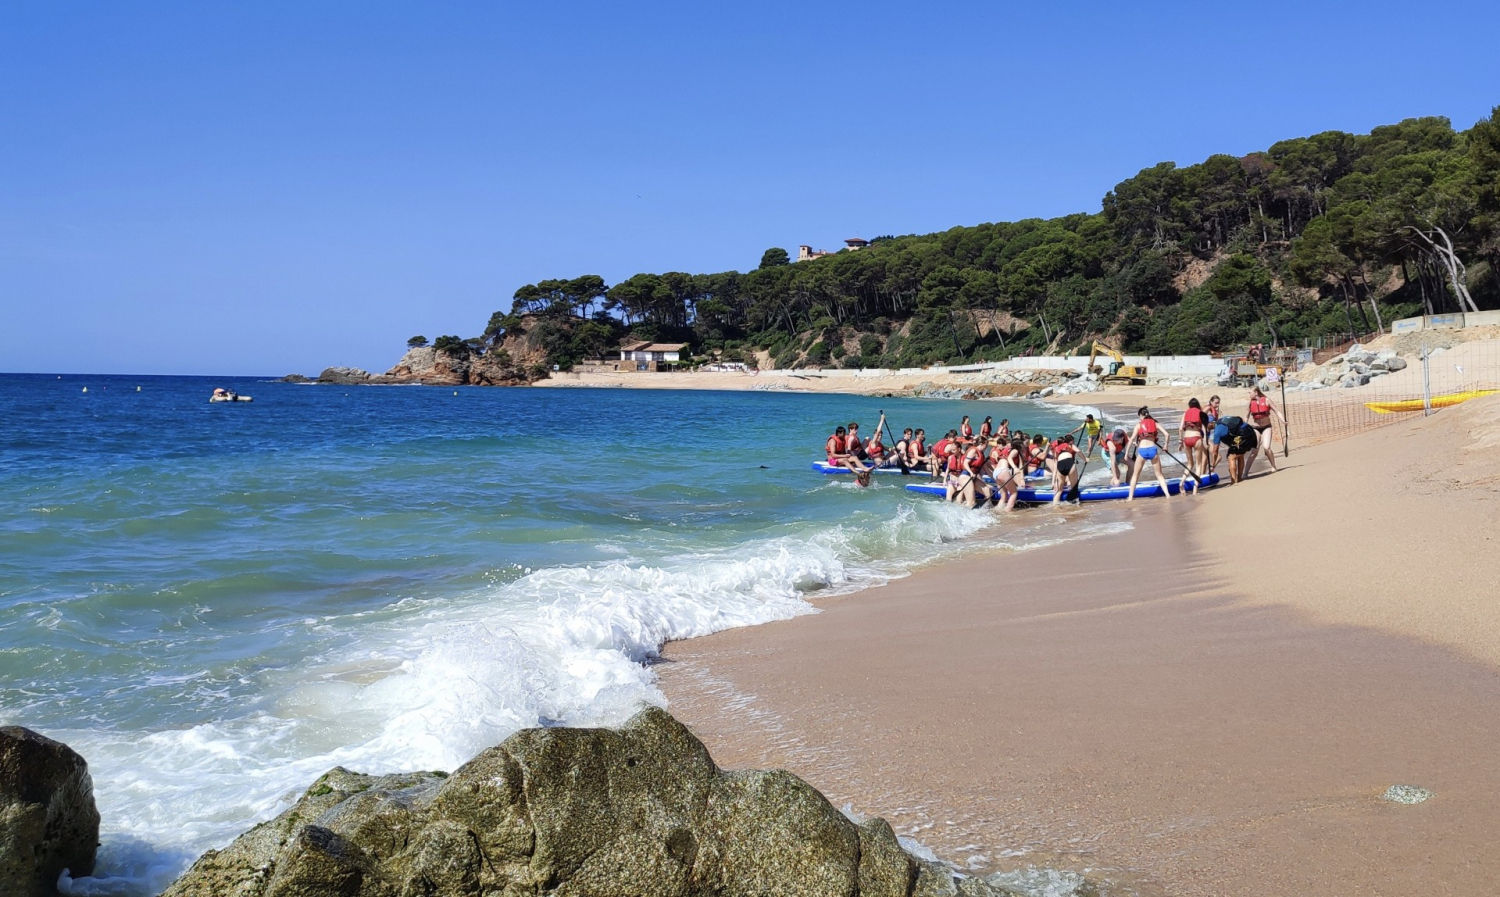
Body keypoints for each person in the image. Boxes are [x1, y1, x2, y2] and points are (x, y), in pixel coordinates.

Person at [1126, 407, 1171, 501]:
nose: (1139, 419)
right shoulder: (1155, 423)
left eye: (1139, 417)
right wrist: (1165, 445)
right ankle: (1167, 495)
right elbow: (1167, 434)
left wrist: (1126, 453)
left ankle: (1130, 497)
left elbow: (1131, 440)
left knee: (1135, 475)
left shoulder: (1138, 425)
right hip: (1152, 450)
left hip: (1142, 451)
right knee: (1159, 475)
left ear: (1141, 416)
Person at [1247, 387, 1285, 473]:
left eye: (1250, 392)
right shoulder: (1250, 403)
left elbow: (1277, 411)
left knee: (1266, 447)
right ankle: (1245, 473)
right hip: (1256, 428)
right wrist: (1243, 426)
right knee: (1254, 451)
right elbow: (1246, 416)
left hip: (1266, 427)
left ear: (1256, 392)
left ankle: (1273, 466)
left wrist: (1283, 421)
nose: (1249, 394)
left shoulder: (1267, 400)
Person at [1214, 415, 1259, 483]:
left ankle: (1234, 481)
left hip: (1243, 435)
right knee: (1239, 454)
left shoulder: (1217, 431)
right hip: (1250, 431)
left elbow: (1215, 451)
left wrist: (1213, 463)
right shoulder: (1224, 419)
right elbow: (1239, 418)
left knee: (1231, 457)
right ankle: (1239, 478)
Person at [1179, 398, 1209, 488]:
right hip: (1196, 438)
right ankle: (1195, 488)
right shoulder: (1200, 413)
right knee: (1198, 464)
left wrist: (1180, 442)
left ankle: (1181, 482)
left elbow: (1180, 428)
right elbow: (1204, 428)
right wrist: (1205, 442)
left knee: (1189, 464)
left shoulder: (1185, 413)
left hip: (1186, 438)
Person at [1050, 434, 1081, 504]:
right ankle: (1074, 504)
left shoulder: (1057, 450)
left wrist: (1053, 482)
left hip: (1060, 466)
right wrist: (1085, 459)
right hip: (1069, 464)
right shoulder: (1070, 446)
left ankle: (1055, 506)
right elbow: (1078, 451)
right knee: (1074, 487)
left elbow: (1055, 469)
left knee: (1059, 490)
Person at [1205, 395, 1224, 471]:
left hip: (1207, 436)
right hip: (1204, 437)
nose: (1218, 405)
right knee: (1217, 457)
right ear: (1211, 402)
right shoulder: (1208, 409)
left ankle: (1206, 472)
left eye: (1219, 403)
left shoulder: (1215, 411)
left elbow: (1214, 425)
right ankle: (1208, 471)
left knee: (1205, 459)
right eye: (1216, 403)